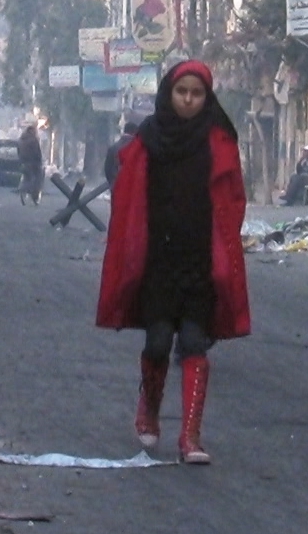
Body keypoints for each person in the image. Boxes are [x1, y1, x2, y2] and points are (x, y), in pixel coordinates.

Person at [95, 60, 250, 465]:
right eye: (182, 92)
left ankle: (190, 437)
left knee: (195, 343)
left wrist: (225, 243)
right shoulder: (149, 137)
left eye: (197, 93)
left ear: (207, 97)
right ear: (169, 93)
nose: (189, 100)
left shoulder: (218, 139)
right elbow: (128, 195)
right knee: (159, 341)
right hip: (158, 262)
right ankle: (148, 410)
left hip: (200, 261)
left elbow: (233, 196)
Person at [16, 123, 43, 205]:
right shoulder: (34, 140)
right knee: (37, 179)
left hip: (23, 162)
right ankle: (34, 197)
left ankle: (23, 190)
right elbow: (37, 152)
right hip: (33, 163)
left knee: (26, 177)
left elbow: (18, 152)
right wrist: (40, 161)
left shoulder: (20, 140)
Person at [104, 120, 137, 188]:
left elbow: (107, 169)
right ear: (134, 133)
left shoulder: (113, 148)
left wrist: (112, 183)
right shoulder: (138, 149)